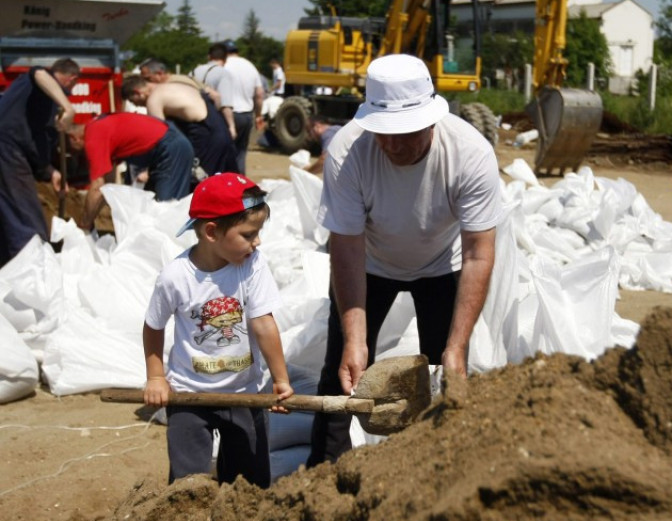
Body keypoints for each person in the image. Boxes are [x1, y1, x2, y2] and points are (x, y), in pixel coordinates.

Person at [306, 54, 503, 465]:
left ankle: (434, 465)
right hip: (370, 264)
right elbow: (346, 248)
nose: (393, 145)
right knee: (342, 369)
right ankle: (324, 469)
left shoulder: (470, 153)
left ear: (432, 119)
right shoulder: (348, 150)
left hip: (440, 263)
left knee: (440, 370)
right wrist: (356, 340)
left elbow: (478, 253)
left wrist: (457, 346)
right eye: (384, 133)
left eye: (406, 132)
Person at [143, 172, 294, 488]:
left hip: (243, 393)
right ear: (212, 232)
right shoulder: (175, 277)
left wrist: (280, 380)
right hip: (188, 395)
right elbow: (154, 326)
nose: (258, 242)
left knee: (248, 483)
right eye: (249, 234)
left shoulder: (251, 265)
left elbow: (263, 323)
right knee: (188, 485)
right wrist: (156, 377)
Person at [0, 58, 78, 266]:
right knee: (25, 215)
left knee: (8, 212)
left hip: (12, 150)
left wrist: (51, 172)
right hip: (6, 146)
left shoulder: (43, 106)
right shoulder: (39, 80)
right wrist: (68, 108)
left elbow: (38, 144)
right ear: (71, 79)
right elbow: (39, 74)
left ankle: (12, 266)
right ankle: (34, 266)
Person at [66, 112, 195, 229]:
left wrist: (85, 223)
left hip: (170, 149)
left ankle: (174, 252)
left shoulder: (93, 136)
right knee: (152, 212)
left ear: (74, 138)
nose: (76, 155)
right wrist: (91, 218)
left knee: (166, 211)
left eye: (72, 150)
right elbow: (107, 188)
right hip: (167, 146)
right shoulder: (98, 126)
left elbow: (97, 187)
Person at [122, 75, 239, 180]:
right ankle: (254, 203)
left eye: (134, 101)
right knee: (236, 179)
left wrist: (147, 170)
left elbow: (160, 138)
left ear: (137, 92)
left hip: (206, 138)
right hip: (219, 126)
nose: (137, 105)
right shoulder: (175, 85)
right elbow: (215, 96)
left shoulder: (154, 100)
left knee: (203, 185)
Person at [223, 41, 265, 174]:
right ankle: (240, 185)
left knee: (223, 151)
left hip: (226, 113)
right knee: (241, 153)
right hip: (246, 115)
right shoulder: (249, 65)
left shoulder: (223, 66)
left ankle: (223, 184)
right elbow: (259, 94)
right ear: (237, 51)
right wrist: (258, 115)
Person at [190, 43, 239, 140]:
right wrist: (231, 126)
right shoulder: (223, 73)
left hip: (192, 119)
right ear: (225, 60)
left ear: (209, 57)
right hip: (211, 120)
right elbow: (225, 105)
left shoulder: (193, 71)